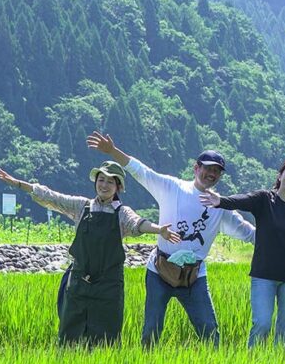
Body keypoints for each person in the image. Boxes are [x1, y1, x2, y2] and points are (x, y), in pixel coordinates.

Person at [85, 131, 256, 346]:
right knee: (151, 331)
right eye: (207, 168)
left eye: (216, 171)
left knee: (210, 332)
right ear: (196, 168)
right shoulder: (172, 187)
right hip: (160, 270)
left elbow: (249, 233)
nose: (211, 174)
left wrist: (283, 242)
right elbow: (141, 171)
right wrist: (112, 151)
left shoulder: (221, 206)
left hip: (193, 276)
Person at [0, 162, 179, 346]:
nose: (104, 185)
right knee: (69, 338)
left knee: (106, 341)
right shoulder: (82, 206)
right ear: (95, 182)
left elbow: (137, 223)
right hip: (79, 282)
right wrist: (19, 184)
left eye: (110, 182)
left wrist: (158, 230)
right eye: (101, 180)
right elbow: (52, 197)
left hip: (109, 285)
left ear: (118, 187)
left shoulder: (122, 213)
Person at [199, 157, 285, 346]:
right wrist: (220, 201)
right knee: (262, 323)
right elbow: (242, 200)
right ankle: (254, 361)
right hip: (263, 275)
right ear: (280, 175)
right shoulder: (264, 199)